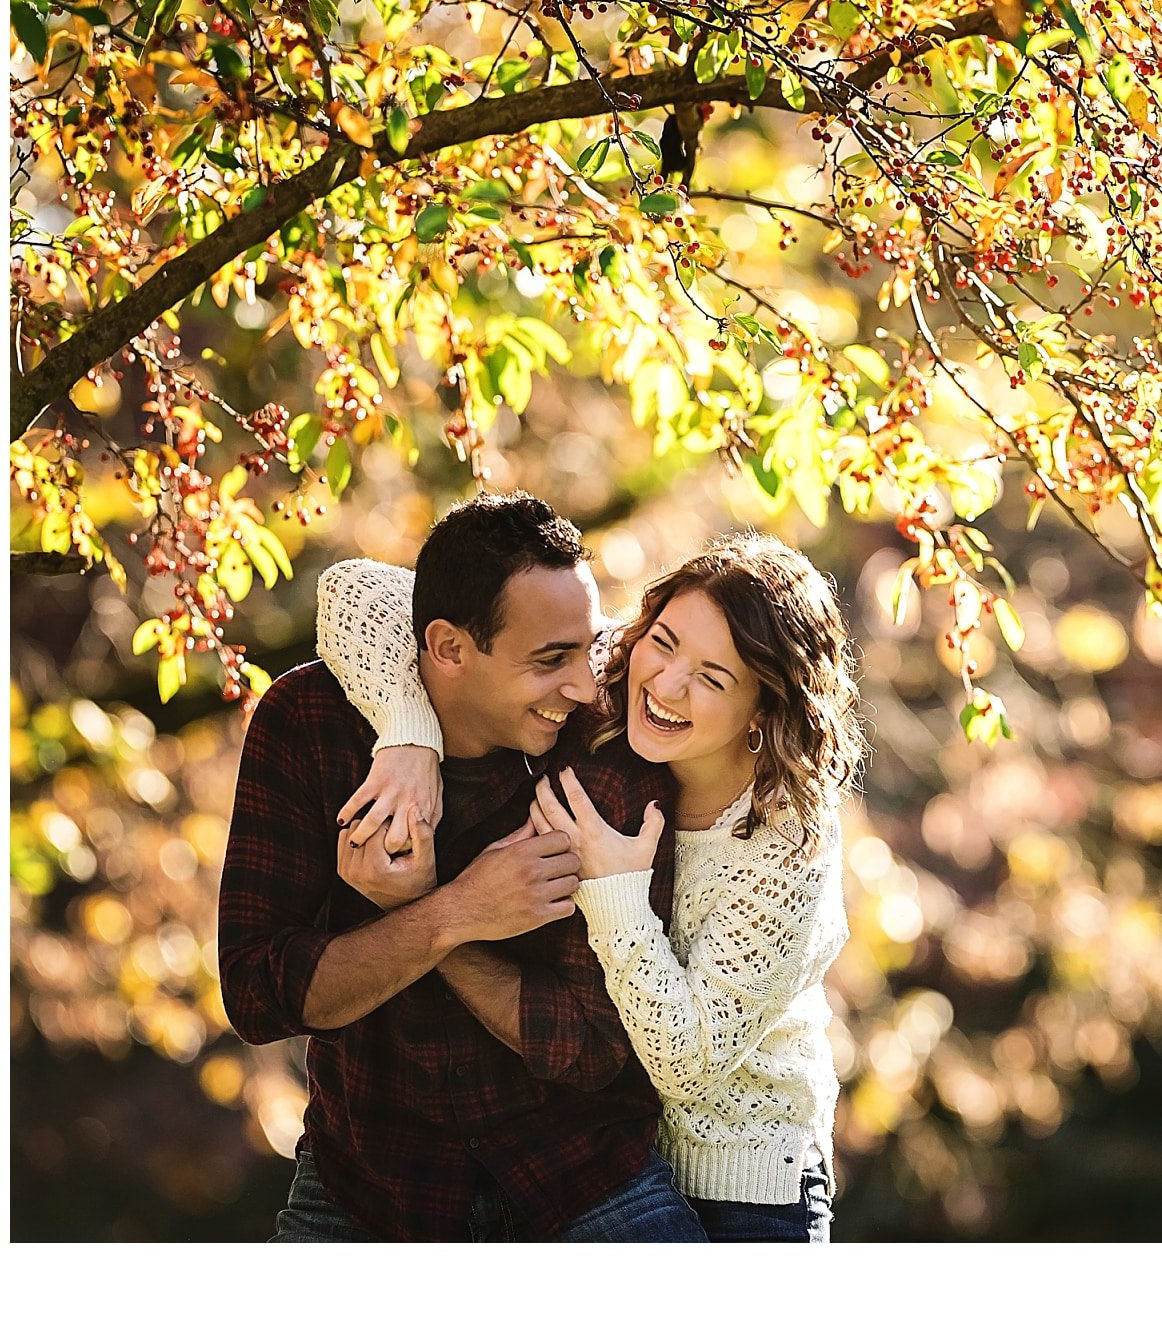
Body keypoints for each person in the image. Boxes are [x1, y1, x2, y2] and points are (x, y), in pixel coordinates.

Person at [317, 530, 859, 1241]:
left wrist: (615, 888)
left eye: (714, 677)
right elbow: (351, 592)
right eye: (664, 643)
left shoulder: (790, 848)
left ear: (763, 707)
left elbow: (685, 1067)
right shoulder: (606, 670)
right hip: (614, 1166)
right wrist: (408, 738)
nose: (666, 684)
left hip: (747, 1195)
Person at [216, 491, 706, 1241]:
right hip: (370, 1186)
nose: (584, 685)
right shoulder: (307, 723)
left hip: (580, 1176)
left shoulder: (604, 748)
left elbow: (593, 1048)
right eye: (550, 661)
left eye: (588, 647)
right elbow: (258, 996)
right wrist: (455, 912)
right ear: (446, 648)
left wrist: (430, 915)